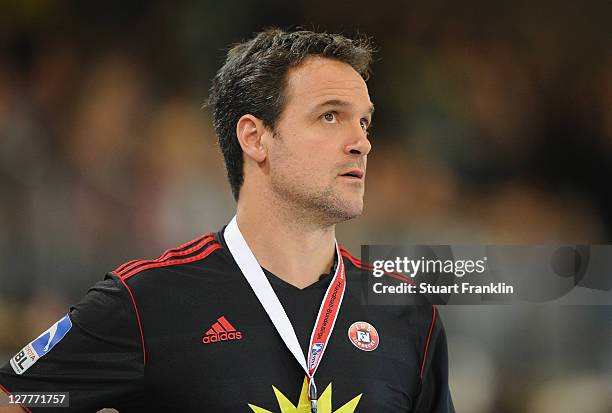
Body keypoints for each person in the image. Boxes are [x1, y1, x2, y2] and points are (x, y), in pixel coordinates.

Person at [0, 28, 454, 412]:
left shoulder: (406, 314)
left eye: (365, 123)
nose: (361, 142)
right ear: (255, 138)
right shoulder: (147, 301)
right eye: (331, 116)